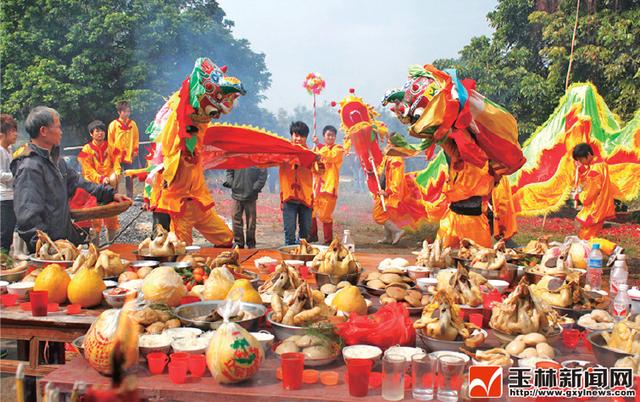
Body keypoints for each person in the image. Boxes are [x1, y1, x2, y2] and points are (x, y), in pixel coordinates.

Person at [11, 106, 129, 252]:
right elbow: (28, 216)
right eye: (58, 127)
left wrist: (110, 194)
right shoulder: (29, 166)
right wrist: (45, 247)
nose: (61, 131)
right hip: (50, 248)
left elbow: (79, 183)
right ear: (43, 131)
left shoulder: (57, 161)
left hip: (63, 240)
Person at [435, 135, 494, 249]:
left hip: (474, 222)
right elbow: (442, 138)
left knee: (480, 260)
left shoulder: (483, 158)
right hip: (454, 219)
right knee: (442, 258)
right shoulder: (457, 155)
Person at [77, 120, 122, 243]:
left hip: (109, 188)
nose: (100, 133)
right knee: (94, 221)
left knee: (112, 218)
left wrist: (116, 175)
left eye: (102, 130)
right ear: (91, 134)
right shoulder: (86, 150)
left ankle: (111, 246)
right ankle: (95, 250)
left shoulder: (112, 147)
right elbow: (88, 170)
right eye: (97, 131)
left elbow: (117, 164)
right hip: (94, 189)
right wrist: (101, 178)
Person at [280, 121, 319, 245]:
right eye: (295, 135)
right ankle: (290, 261)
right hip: (288, 197)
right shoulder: (283, 151)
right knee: (289, 234)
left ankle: (303, 261)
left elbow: (320, 171)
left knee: (305, 235)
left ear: (306, 137)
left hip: (306, 198)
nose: (298, 139)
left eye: (301, 136)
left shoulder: (311, 154)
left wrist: (318, 159)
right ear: (291, 135)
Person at [310, 125, 346, 244]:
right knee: (311, 211)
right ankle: (313, 235)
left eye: (332, 135)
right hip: (317, 186)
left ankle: (327, 240)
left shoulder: (339, 149)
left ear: (335, 137)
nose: (330, 137)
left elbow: (331, 157)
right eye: (328, 135)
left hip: (329, 187)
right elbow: (313, 163)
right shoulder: (318, 148)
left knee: (325, 215)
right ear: (324, 136)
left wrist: (319, 145)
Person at [572, 143, 615, 240]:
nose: (580, 162)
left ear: (588, 154)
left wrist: (579, 196)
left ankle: (613, 249)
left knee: (586, 238)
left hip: (595, 208)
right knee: (588, 236)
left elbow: (590, 192)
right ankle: (612, 250)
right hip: (600, 206)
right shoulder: (600, 164)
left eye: (581, 159)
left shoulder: (595, 169)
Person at [223, 167, 267, 249]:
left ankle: (251, 243)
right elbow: (229, 169)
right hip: (236, 194)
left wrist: (256, 187)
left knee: (251, 222)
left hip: (251, 195)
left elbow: (263, 174)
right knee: (236, 219)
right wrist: (232, 183)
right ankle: (239, 243)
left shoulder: (255, 157)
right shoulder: (236, 156)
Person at [371, 148, 406, 245]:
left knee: (378, 215)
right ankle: (388, 238)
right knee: (386, 214)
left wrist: (387, 192)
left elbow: (397, 180)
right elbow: (381, 172)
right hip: (384, 190)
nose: (387, 145)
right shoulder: (388, 157)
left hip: (391, 193)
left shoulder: (396, 160)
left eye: (390, 143)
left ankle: (398, 231)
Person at [108, 100, 139, 199]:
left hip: (128, 154)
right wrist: (114, 152)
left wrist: (135, 150)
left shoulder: (133, 124)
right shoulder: (113, 124)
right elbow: (110, 139)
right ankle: (115, 195)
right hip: (117, 154)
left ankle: (130, 196)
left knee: (129, 175)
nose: (127, 113)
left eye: (128, 111)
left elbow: (136, 138)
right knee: (116, 175)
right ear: (119, 112)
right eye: (124, 111)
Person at [0, 114, 18, 253]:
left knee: (9, 232)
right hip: (3, 197)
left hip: (11, 196)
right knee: (4, 234)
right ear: (2, 134)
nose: (15, 134)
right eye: (12, 131)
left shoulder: (10, 150)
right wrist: (17, 175)